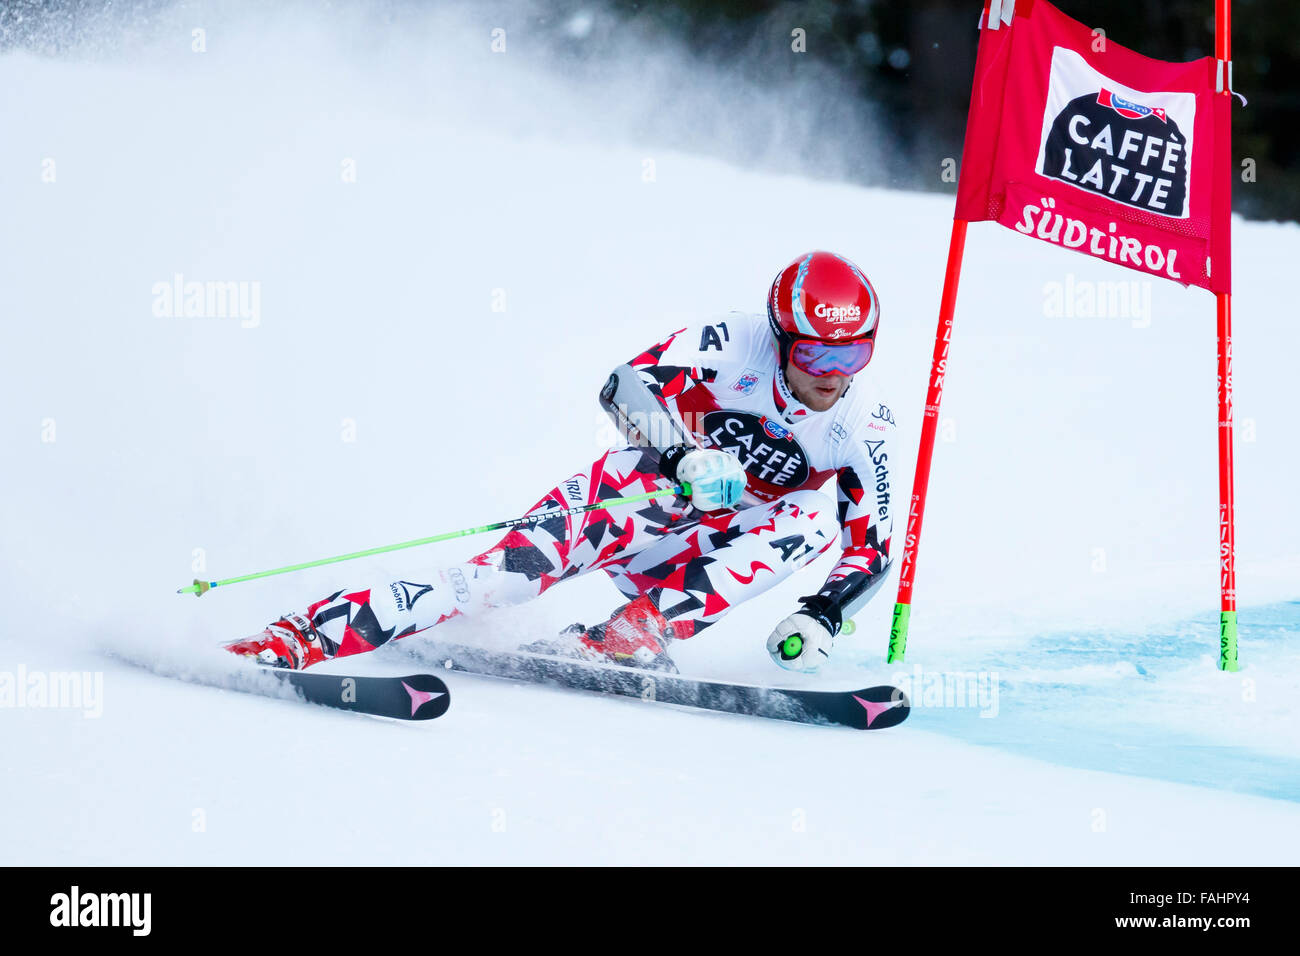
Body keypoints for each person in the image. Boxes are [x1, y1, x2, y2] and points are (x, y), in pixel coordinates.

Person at [225, 250, 896, 674]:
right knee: (502, 580)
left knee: (815, 515)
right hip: (641, 499)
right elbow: (625, 382)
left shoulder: (862, 423)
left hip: (708, 559)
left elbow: (872, 548)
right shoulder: (733, 339)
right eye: (816, 356)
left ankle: (638, 631)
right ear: (780, 338)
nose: (833, 376)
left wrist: (823, 614)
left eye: (853, 356)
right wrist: (684, 455)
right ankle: (307, 632)